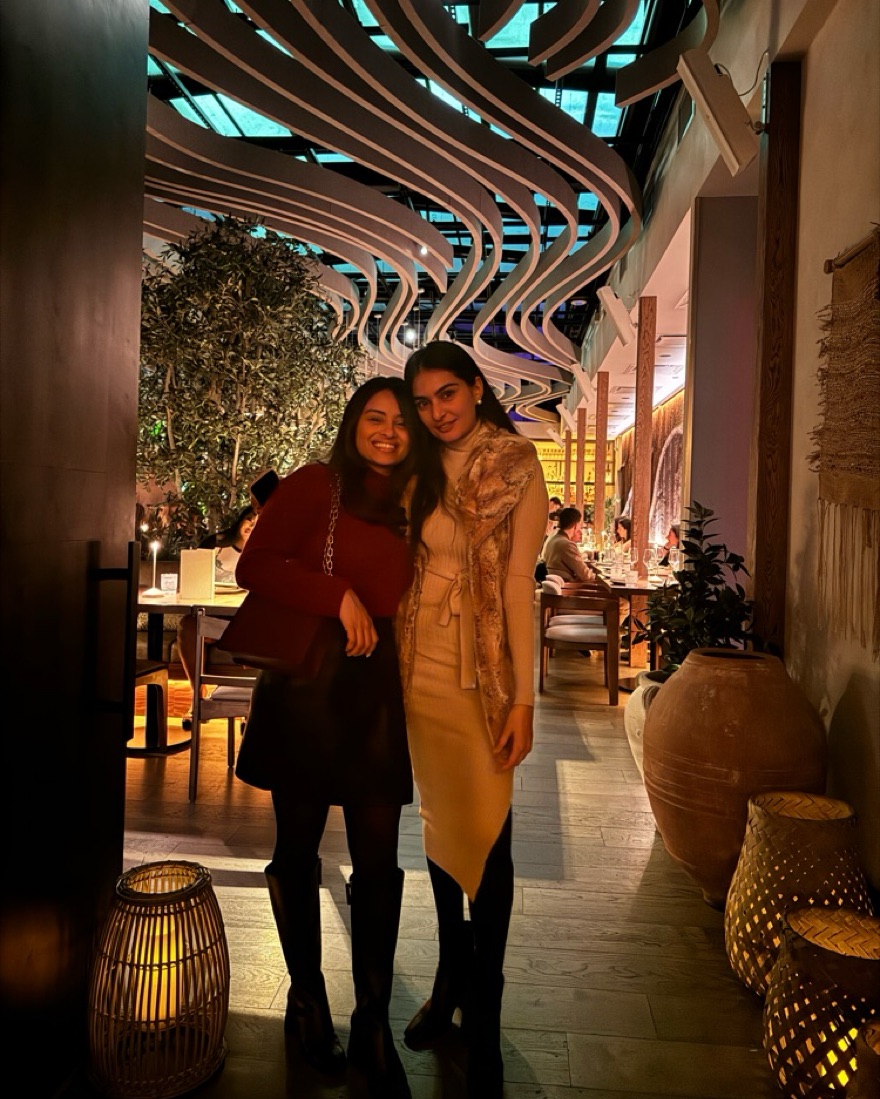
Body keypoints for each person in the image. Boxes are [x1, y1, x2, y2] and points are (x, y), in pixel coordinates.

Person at [232, 377, 418, 1099]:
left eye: (400, 421)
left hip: (377, 689)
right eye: (374, 417)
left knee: (379, 858)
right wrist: (337, 594)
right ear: (353, 423)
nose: (388, 431)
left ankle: (372, 1020)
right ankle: (307, 998)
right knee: (298, 847)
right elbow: (254, 565)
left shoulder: (417, 500)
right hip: (308, 685)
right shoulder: (318, 484)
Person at [397, 341, 547, 1098]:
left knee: (490, 838)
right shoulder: (415, 464)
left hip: (482, 673)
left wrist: (524, 699)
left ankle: (484, 1013)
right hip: (419, 665)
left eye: (448, 394)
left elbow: (520, 582)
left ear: (478, 388)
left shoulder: (517, 463)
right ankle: (449, 977)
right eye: (424, 402)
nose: (437, 413)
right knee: (439, 827)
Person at [175, 505, 258, 707]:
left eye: (259, 523)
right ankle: (198, 697)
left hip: (248, 619)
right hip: (214, 617)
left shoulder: (265, 552)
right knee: (188, 625)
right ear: (240, 521)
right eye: (249, 519)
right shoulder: (216, 544)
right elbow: (193, 575)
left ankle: (251, 705)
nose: (252, 525)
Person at [542, 506, 592, 583]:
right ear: (576, 525)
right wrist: (596, 574)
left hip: (558, 585)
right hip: (567, 586)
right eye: (579, 524)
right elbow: (585, 575)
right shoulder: (567, 544)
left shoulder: (553, 539)